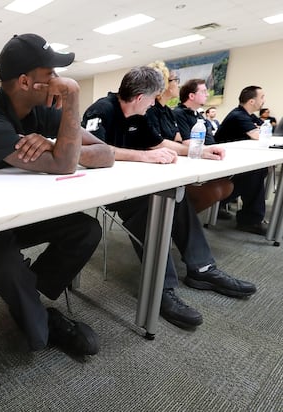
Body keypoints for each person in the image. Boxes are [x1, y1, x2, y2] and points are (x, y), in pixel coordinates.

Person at [0, 33, 114, 356]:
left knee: (86, 230)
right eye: (50, 74)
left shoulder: (43, 109)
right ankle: (35, 309)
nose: (59, 80)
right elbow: (66, 165)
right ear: (26, 82)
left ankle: (30, 293)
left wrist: (57, 145)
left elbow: (105, 153)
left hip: (21, 214)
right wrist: (74, 98)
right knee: (37, 338)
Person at [81, 66, 256, 330]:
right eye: (152, 99)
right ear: (140, 97)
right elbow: (91, 150)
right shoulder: (101, 110)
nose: (154, 104)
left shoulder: (140, 115)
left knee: (176, 196)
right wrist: (142, 156)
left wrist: (197, 150)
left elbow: (159, 143)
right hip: (110, 188)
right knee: (151, 207)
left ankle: (203, 269)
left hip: (138, 183)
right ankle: (160, 288)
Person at [171, 78, 233, 214]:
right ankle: (178, 219)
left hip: (204, 158)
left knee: (228, 185)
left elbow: (210, 140)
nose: (207, 94)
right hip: (190, 164)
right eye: (203, 91)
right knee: (217, 190)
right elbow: (188, 143)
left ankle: (210, 209)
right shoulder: (179, 113)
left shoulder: (198, 115)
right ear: (191, 96)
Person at [215, 86, 269, 235]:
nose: (264, 100)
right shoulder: (238, 115)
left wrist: (260, 128)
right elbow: (259, 135)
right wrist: (259, 130)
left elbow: (266, 129)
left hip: (236, 160)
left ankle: (221, 204)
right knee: (255, 174)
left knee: (259, 171)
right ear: (252, 101)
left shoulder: (249, 115)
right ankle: (249, 220)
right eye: (262, 97)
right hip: (221, 162)